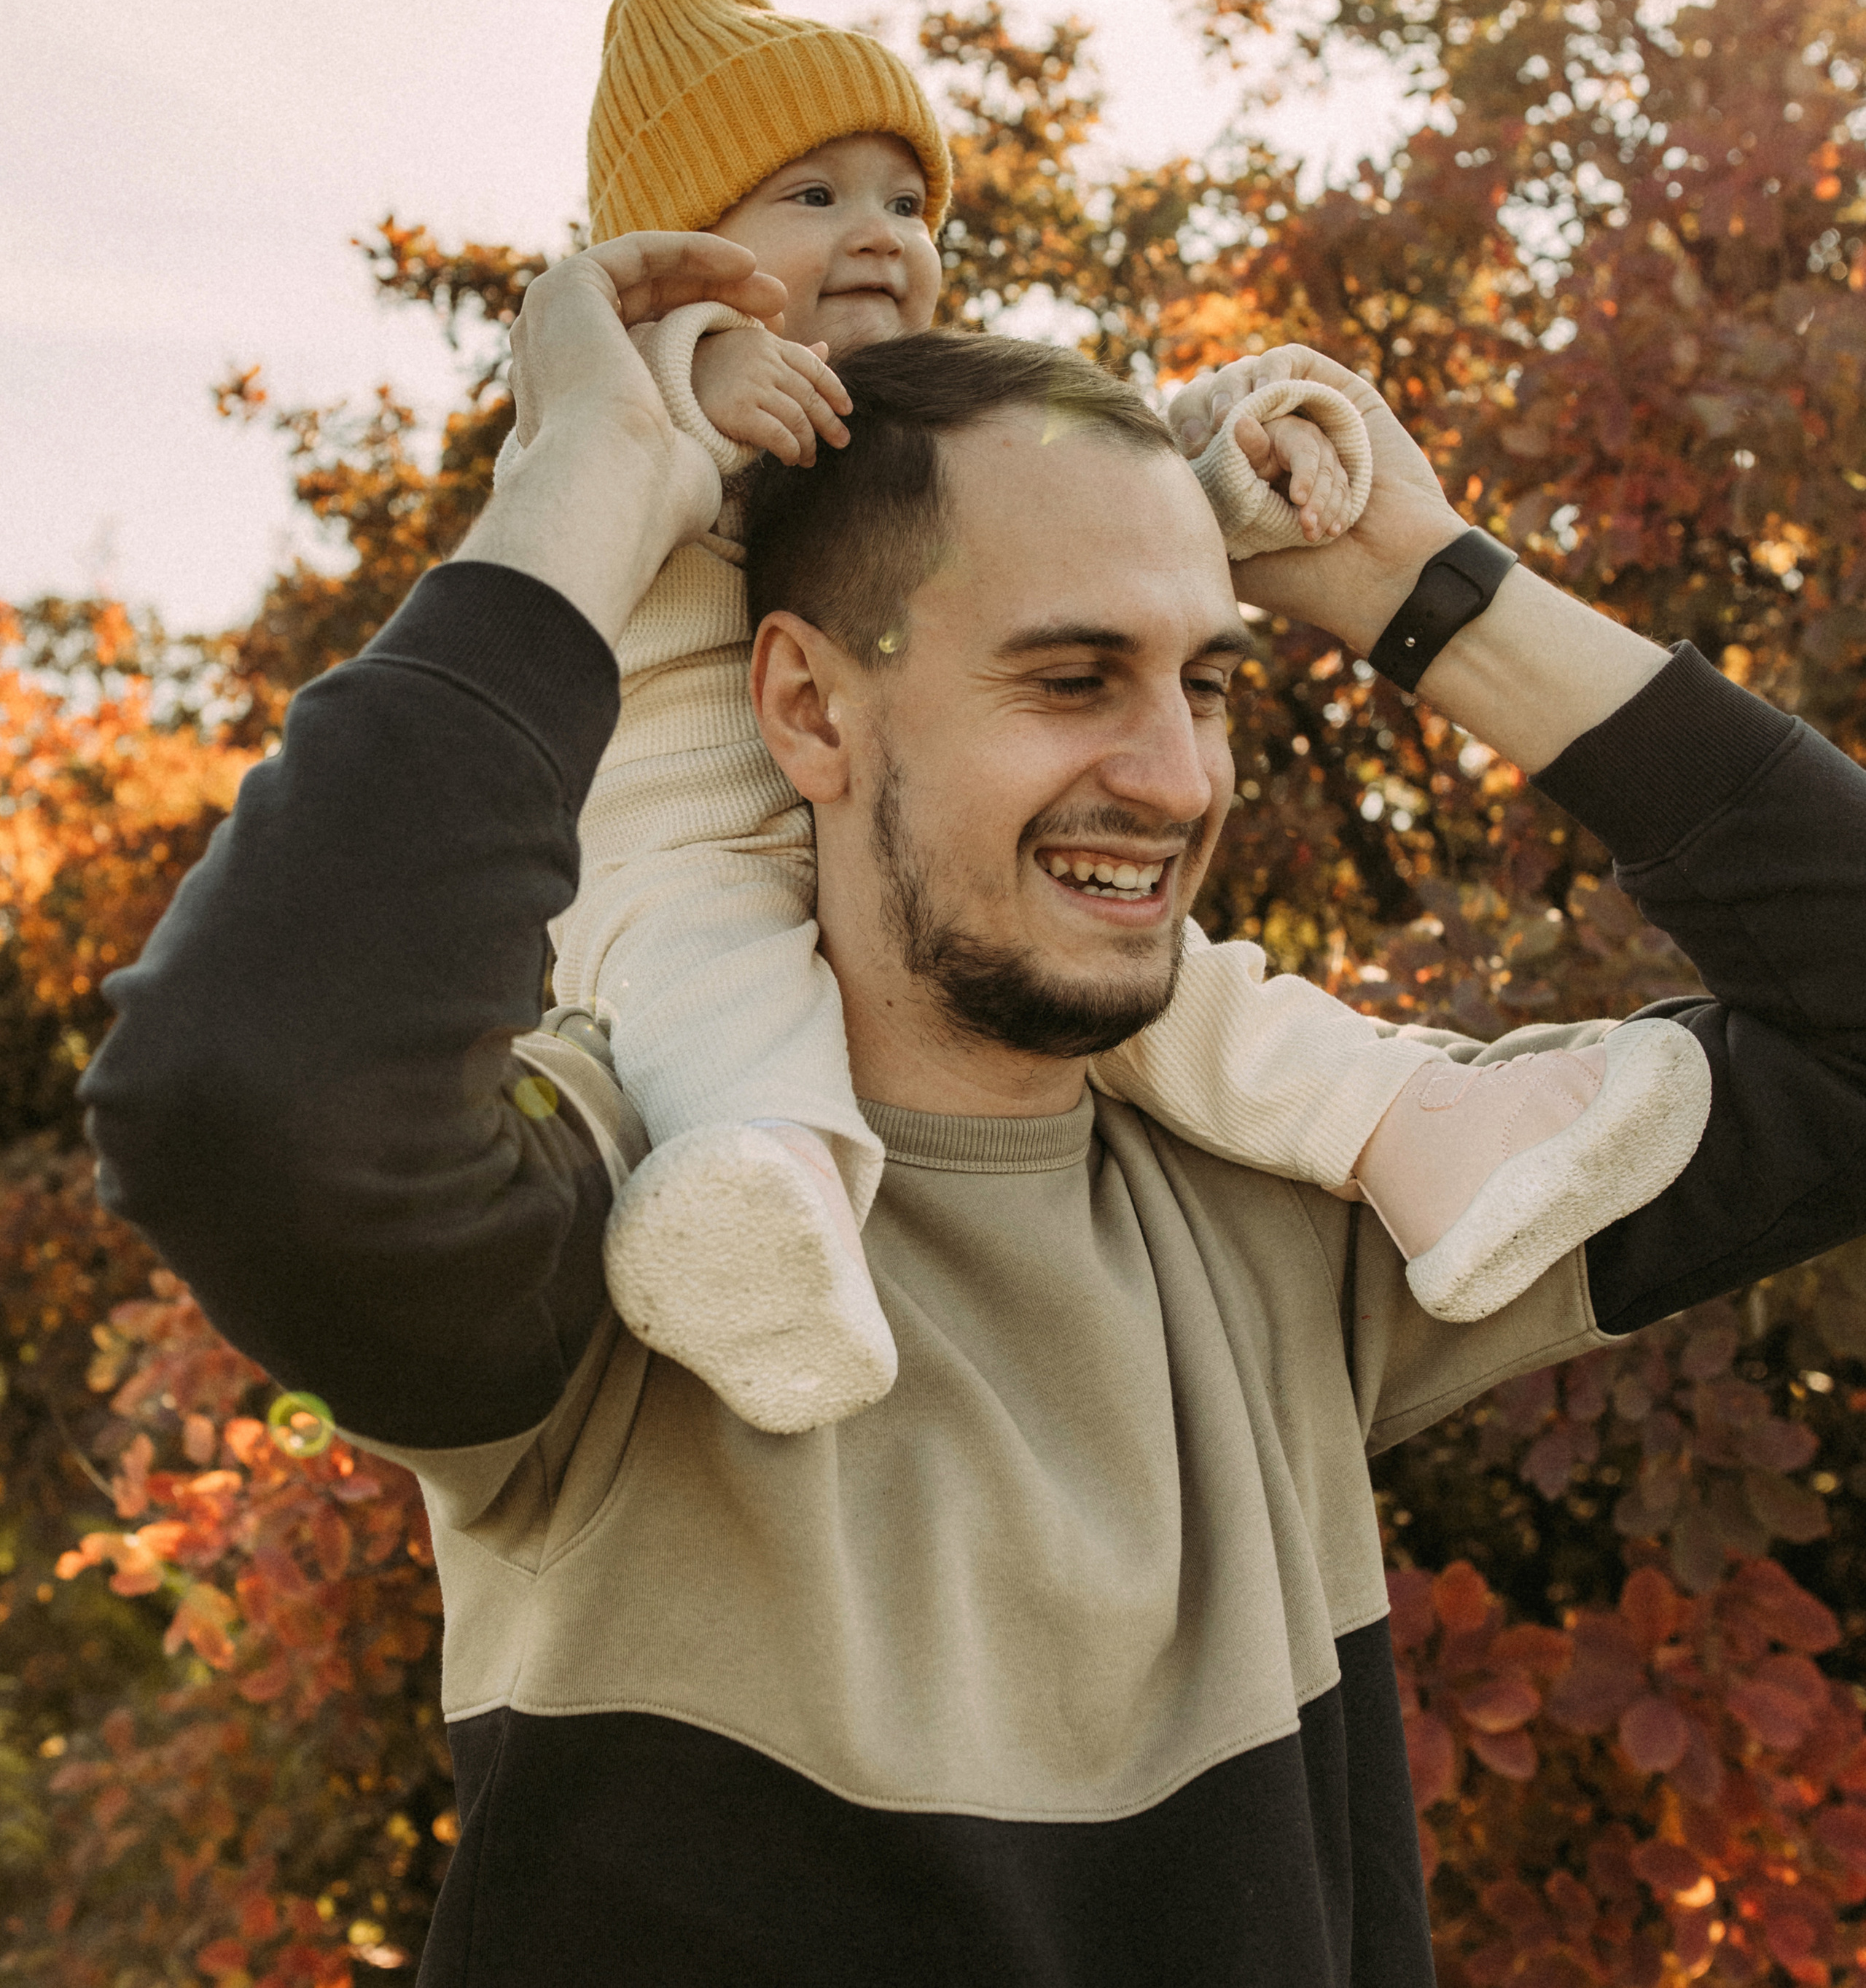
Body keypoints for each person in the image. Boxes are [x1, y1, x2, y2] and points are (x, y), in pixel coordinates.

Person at [80, 249, 1866, 1987]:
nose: (1175, 777)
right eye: (1070, 677)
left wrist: (1418, 577)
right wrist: (588, 489)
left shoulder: (1300, 1202)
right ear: (802, 707)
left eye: (1210, 682)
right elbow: (251, 1093)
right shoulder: (637, 1215)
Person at [506, 0, 1707, 1432]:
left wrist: (1231, 487)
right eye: (809, 198)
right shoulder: (635, 383)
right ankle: (763, 1223)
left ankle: (1422, 1139)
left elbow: (1049, 555)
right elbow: (577, 425)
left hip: (891, 843)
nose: (872, 231)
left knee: (1166, 984)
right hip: (677, 844)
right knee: (713, 995)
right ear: (679, 249)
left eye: (900, 196)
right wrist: (691, 362)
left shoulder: (909, 425)